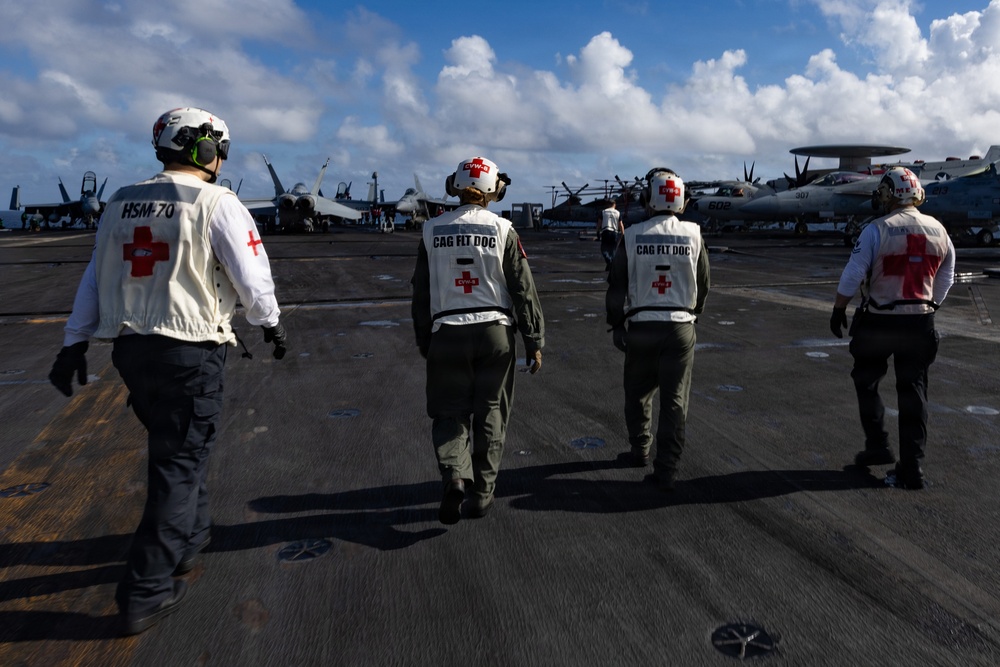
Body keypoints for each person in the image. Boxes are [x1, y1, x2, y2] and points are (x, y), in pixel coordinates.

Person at [47, 107, 287, 635]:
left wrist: (73, 343)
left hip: (131, 351)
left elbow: (95, 274)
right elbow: (252, 276)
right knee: (177, 464)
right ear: (203, 148)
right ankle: (146, 590)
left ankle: (190, 539)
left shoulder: (119, 202)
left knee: (180, 448)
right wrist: (270, 324)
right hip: (190, 350)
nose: (222, 157)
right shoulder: (217, 202)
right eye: (219, 147)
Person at [411, 156, 545, 524]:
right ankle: (482, 493)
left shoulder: (431, 231)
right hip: (495, 333)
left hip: (447, 332)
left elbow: (420, 293)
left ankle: (455, 475)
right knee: (491, 413)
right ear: (494, 191)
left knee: (449, 412)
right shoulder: (503, 230)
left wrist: (426, 340)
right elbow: (523, 289)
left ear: (453, 185)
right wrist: (534, 339)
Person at [830, 166, 955, 490]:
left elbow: (854, 272)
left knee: (867, 380)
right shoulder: (939, 230)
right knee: (914, 391)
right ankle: (912, 468)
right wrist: (930, 306)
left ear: (888, 194)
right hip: (919, 321)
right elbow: (946, 277)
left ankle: (877, 445)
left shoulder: (876, 229)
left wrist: (839, 308)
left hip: (880, 318)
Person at [606, 168, 710, 492]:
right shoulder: (694, 234)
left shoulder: (633, 235)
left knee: (637, 394)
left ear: (646, 199)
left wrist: (615, 323)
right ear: (683, 202)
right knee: (675, 402)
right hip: (680, 327)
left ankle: (639, 450)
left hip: (641, 326)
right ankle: (667, 469)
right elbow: (704, 283)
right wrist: (695, 315)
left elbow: (616, 284)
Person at [598, 199, 623, 270]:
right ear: (614, 204)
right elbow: (621, 225)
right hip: (614, 233)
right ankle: (611, 264)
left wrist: (597, 231)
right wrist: (622, 234)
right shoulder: (618, 213)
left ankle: (609, 261)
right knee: (613, 250)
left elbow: (599, 223)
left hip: (605, 232)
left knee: (604, 249)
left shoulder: (603, 212)